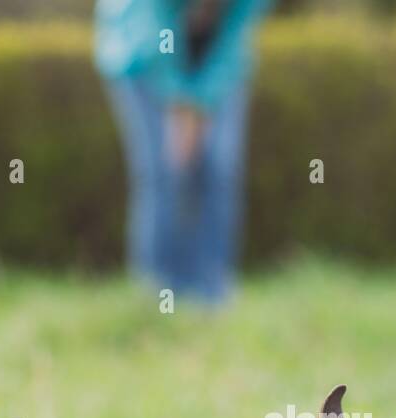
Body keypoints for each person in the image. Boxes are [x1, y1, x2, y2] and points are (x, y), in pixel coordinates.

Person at [95, 0, 272, 305]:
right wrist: (179, 101)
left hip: (215, 65)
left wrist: (202, 100)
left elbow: (233, 38)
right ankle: (160, 290)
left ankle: (212, 290)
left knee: (220, 165)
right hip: (143, 58)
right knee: (164, 169)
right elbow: (154, 32)